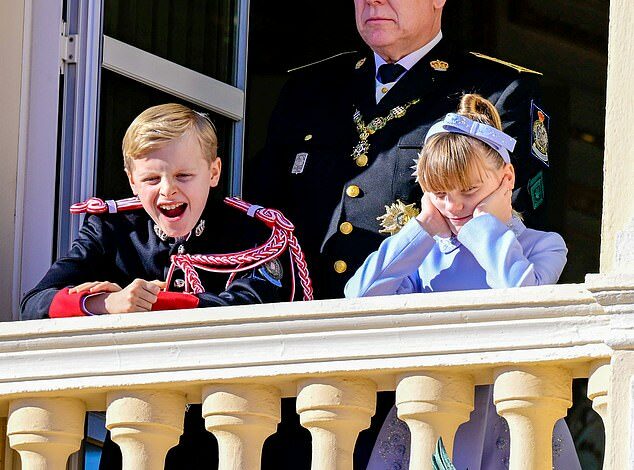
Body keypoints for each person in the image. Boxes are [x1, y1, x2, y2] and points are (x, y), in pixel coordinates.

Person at [19, 103, 291, 469]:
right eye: (151, 179)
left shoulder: (255, 231)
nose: (168, 192)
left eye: (183, 176)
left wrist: (151, 305)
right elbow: (35, 304)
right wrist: (104, 305)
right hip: (135, 431)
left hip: (234, 434)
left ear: (213, 172)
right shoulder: (113, 230)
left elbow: (248, 310)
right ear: (131, 179)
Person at [246, 0, 550, 302]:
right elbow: (260, 220)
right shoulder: (309, 88)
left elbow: (514, 228)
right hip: (298, 323)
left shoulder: (498, 91)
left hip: (414, 324)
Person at [345, 94, 579, 469]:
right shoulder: (423, 256)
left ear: (507, 178)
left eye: (469, 192)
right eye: (439, 194)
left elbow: (523, 300)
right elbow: (358, 299)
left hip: (509, 421)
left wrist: (487, 225)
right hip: (431, 418)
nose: (454, 207)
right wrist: (420, 231)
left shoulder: (543, 246)